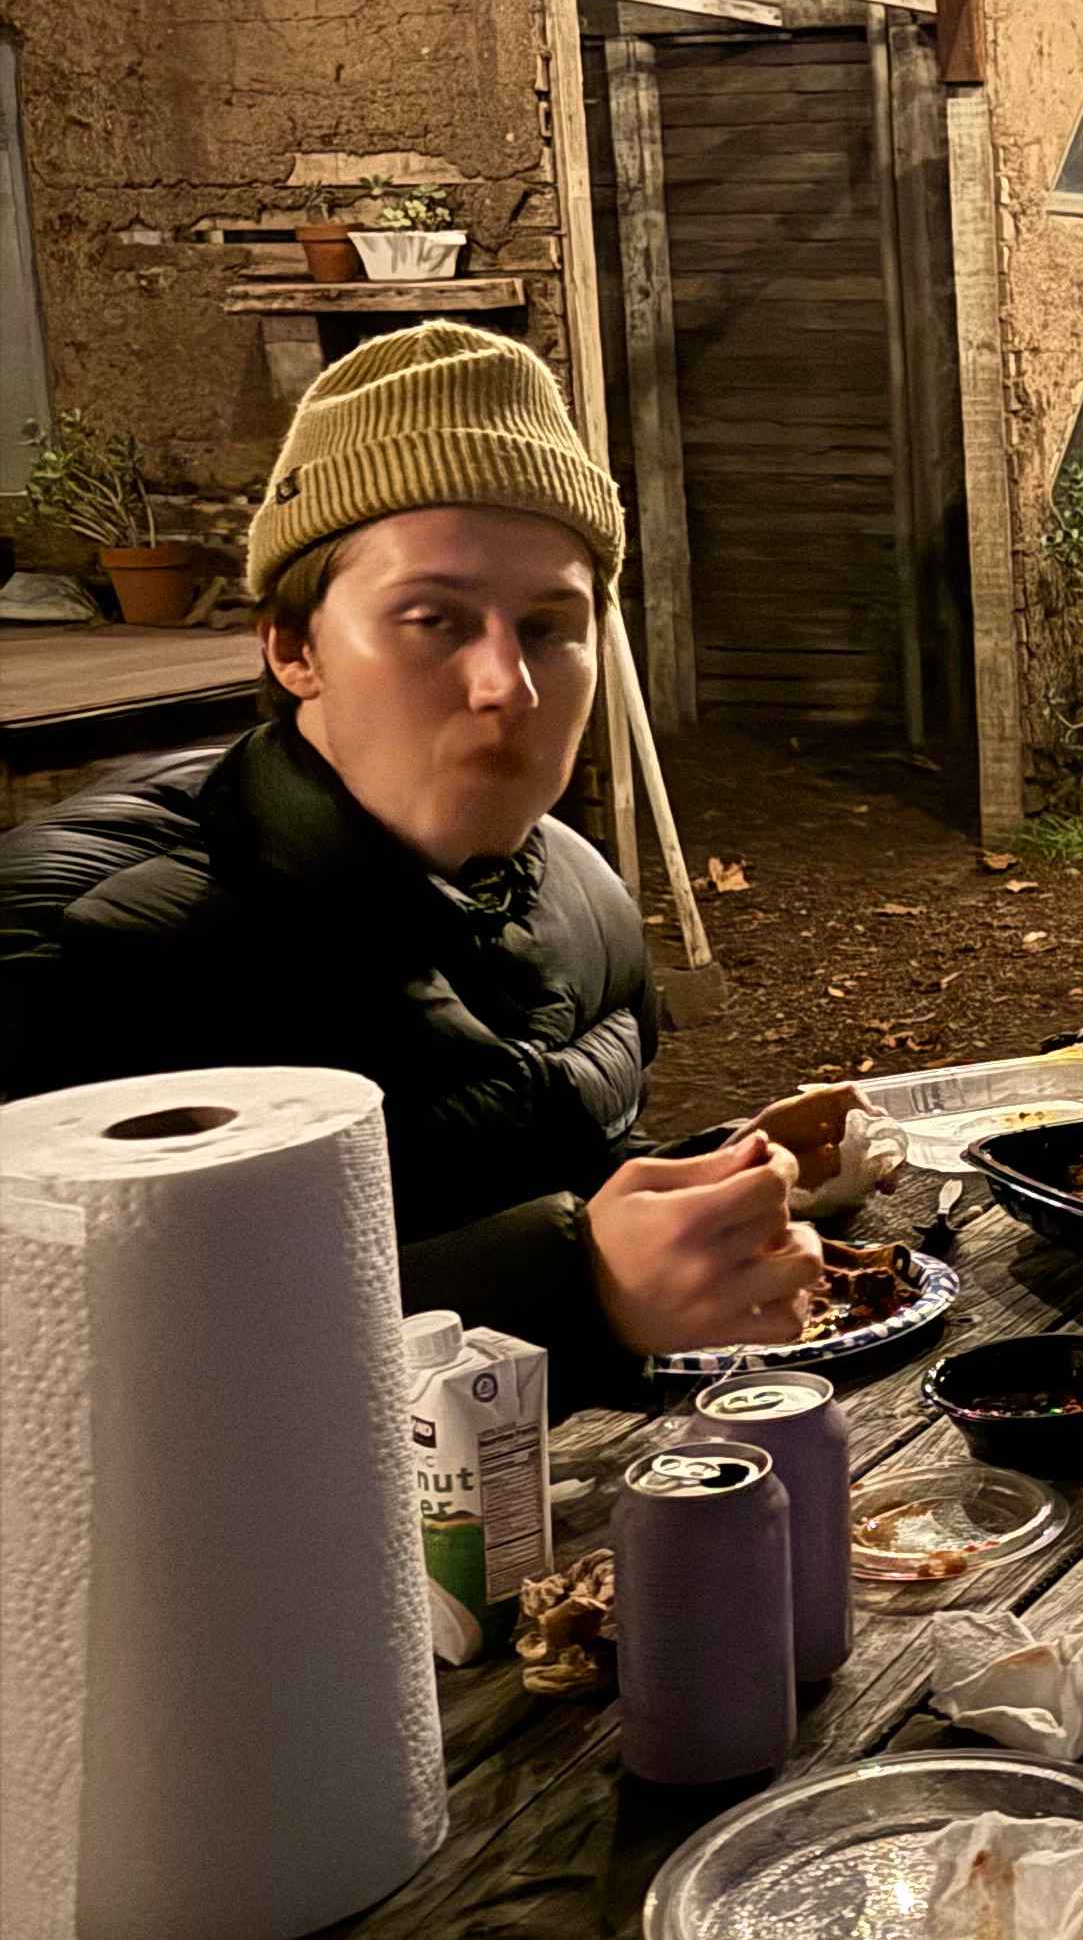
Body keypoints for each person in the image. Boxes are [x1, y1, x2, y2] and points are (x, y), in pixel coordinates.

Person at [0, 320, 839, 1400]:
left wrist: (704, 1199)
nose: (508, 687)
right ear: (293, 648)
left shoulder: (584, 891)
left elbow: (517, 1180)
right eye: (434, 620)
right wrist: (569, 1287)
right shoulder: (69, 948)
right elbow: (62, 1386)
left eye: (549, 626)